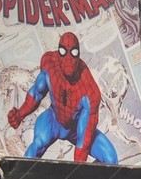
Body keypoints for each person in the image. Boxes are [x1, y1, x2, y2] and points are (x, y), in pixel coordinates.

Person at [8, 31, 118, 163]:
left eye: (73, 53)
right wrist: (20, 114)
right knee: (38, 145)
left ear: (78, 54)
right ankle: (21, 173)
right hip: (54, 119)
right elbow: (37, 92)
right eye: (63, 52)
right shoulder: (50, 64)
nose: (68, 59)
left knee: (111, 159)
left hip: (76, 128)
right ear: (59, 51)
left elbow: (83, 140)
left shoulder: (89, 91)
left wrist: (76, 171)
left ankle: (89, 176)